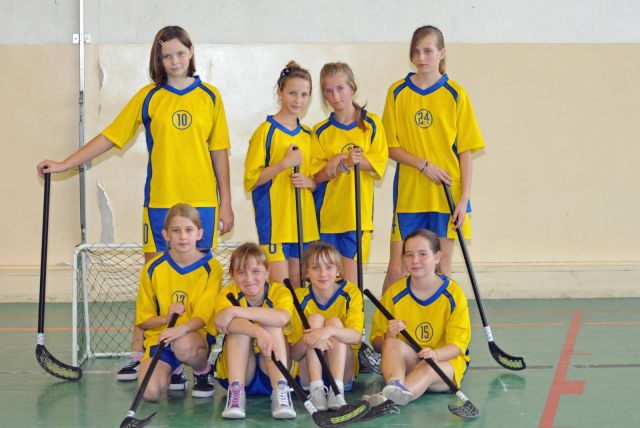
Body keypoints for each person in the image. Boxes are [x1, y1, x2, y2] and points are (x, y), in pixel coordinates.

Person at [37, 25, 234, 382]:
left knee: (199, 283)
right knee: (153, 280)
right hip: (159, 204)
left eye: (180, 52)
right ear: (158, 59)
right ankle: (142, 353)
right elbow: (111, 137)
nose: (174, 60)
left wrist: (227, 203)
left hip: (203, 205)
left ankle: (193, 358)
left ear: (191, 51)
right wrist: (65, 164)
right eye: (166, 55)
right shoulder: (149, 97)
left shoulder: (211, 96)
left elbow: (219, 152)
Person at [381, 25, 485, 293]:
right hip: (410, 195)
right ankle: (386, 321)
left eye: (428, 51)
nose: (421, 57)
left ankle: (441, 321)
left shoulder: (455, 94)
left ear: (442, 53)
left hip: (446, 195)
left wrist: (463, 200)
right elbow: (389, 147)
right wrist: (423, 165)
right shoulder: (397, 92)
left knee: (442, 269)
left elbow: (465, 151)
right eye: (416, 51)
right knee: (398, 269)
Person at [369, 229, 471, 405]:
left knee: (427, 366)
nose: (415, 260)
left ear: (437, 257)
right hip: (410, 362)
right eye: (409, 255)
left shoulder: (454, 294)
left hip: (443, 364)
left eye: (422, 254)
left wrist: (435, 354)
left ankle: (387, 401)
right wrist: (387, 336)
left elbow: (457, 347)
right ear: (403, 259)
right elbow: (377, 345)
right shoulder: (394, 293)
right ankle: (395, 386)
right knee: (391, 343)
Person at [135, 203, 223, 401]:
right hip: (161, 338)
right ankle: (174, 369)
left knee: (182, 345)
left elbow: (203, 318)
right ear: (166, 235)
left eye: (189, 230)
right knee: (149, 392)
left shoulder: (212, 268)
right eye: (176, 230)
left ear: (199, 234)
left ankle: (203, 371)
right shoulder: (152, 269)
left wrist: (179, 330)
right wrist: (166, 318)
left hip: (193, 338)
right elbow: (144, 321)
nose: (183, 236)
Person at [311, 62, 388, 284]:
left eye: (340, 88)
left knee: (351, 287)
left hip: (357, 219)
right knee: (327, 285)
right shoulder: (320, 131)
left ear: (352, 87)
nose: (335, 96)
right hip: (328, 219)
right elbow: (316, 177)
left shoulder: (371, 124)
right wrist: (338, 165)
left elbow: (377, 163)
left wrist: (344, 160)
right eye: (328, 91)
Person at [244, 61, 318, 289]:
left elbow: (316, 180)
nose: (298, 100)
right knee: (282, 288)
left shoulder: (308, 135)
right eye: (292, 93)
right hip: (275, 223)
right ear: (280, 92)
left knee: (300, 287)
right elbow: (252, 180)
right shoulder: (265, 132)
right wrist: (284, 164)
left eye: (304, 95)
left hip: (303, 223)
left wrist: (309, 182)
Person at [213, 243, 297, 420]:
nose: (249, 278)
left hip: (273, 370)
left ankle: (281, 391)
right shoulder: (227, 294)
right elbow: (222, 323)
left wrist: (235, 311)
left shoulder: (280, 292)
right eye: (241, 272)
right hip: (243, 374)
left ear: (267, 272)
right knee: (239, 329)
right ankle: (236, 394)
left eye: (256, 271)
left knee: (271, 322)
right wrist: (257, 332)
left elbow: (282, 318)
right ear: (232, 275)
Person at [290, 242, 364, 411]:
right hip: (308, 372)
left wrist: (328, 331)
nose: (323, 273)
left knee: (334, 323)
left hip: (343, 370)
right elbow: (294, 354)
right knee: (314, 320)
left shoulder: (351, 293)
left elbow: (355, 337)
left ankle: (336, 390)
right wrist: (311, 338)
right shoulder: (299, 298)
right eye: (315, 267)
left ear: (338, 270)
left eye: (329, 267)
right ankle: (316, 389)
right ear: (306, 272)